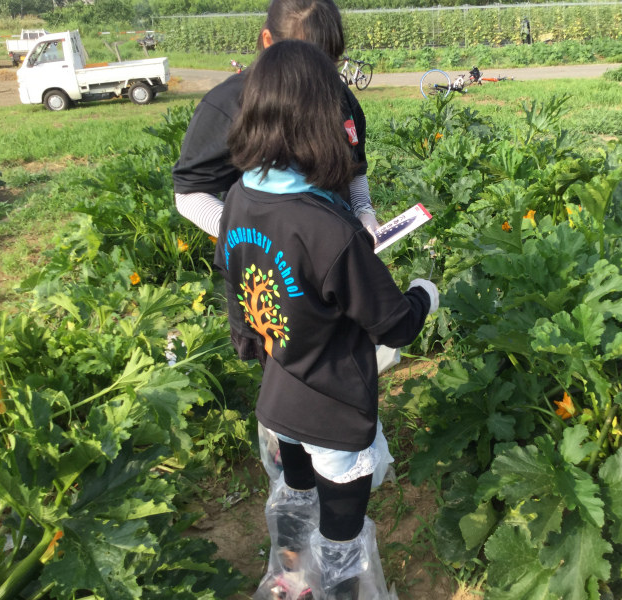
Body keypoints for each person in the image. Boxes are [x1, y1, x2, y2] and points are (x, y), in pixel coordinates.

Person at [213, 40, 439, 600]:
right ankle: (334, 591)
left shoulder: (240, 197)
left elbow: (235, 282)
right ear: (321, 121)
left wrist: (251, 341)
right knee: (341, 537)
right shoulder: (329, 231)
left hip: (279, 398)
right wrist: (424, 294)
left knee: (296, 501)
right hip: (335, 412)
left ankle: (291, 580)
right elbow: (393, 326)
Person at [172, 0, 380, 363]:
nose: (320, 77)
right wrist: (261, 240)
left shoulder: (341, 99)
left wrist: (364, 211)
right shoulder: (230, 105)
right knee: (287, 384)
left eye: (329, 62)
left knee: (345, 370)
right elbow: (189, 194)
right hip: (270, 285)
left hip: (337, 271)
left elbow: (355, 170)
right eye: (308, 60)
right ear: (269, 41)